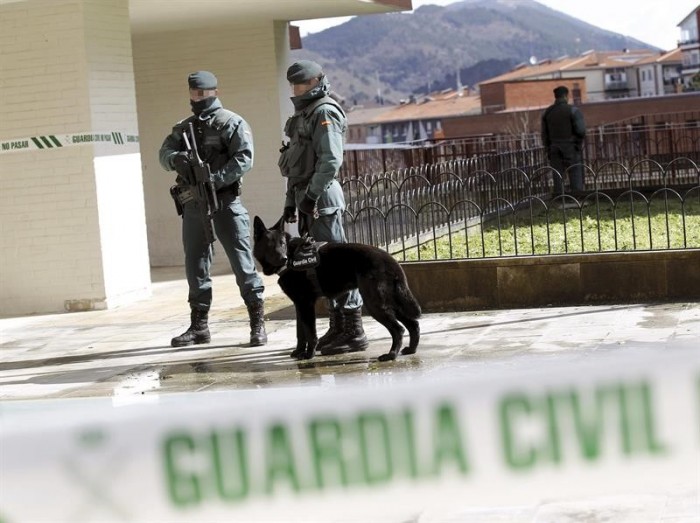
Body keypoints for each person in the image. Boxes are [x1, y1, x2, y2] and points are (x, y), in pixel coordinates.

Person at [159, 71, 267, 348]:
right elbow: (164, 154)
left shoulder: (231, 122)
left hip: (225, 202)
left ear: (215, 92)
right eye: (195, 94)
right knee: (195, 264)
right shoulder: (185, 128)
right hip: (194, 204)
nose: (199, 98)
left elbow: (244, 159)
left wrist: (215, 180)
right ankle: (199, 327)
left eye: (204, 94)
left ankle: (257, 324)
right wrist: (176, 159)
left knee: (243, 264)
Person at [278, 60, 367, 355]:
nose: (296, 89)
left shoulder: (323, 111)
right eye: (294, 84)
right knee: (319, 267)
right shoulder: (302, 114)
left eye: (301, 84)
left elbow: (330, 161)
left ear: (316, 82)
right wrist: (292, 202)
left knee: (337, 265)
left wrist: (310, 197)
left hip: (321, 200)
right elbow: (294, 163)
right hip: (307, 198)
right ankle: (338, 326)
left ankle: (353, 329)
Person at [541, 85, 586, 195]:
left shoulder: (547, 112)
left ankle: (560, 197)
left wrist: (548, 147)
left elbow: (544, 134)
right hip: (571, 147)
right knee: (575, 172)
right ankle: (577, 197)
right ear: (566, 96)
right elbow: (581, 130)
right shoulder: (573, 110)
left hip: (554, 148)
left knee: (557, 175)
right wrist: (578, 141)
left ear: (555, 96)